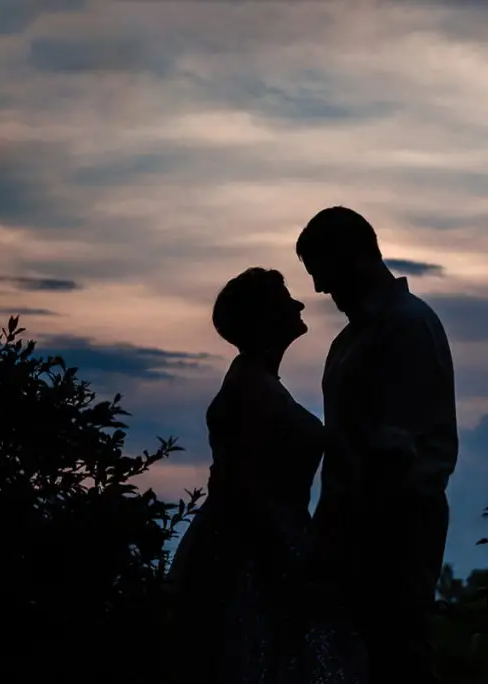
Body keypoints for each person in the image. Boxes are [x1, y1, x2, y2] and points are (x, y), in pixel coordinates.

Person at [165, 267, 367, 684]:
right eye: (285, 299)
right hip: (256, 552)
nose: (298, 303)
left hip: (272, 541)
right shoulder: (250, 390)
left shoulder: (259, 383)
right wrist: (286, 566)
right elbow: (245, 488)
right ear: (264, 317)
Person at [297, 207, 459, 684]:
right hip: (362, 536)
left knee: (394, 660)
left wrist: (345, 542)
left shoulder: (404, 326)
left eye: (322, 272)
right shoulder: (358, 336)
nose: (319, 290)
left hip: (389, 537)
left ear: (356, 259)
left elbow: (396, 453)